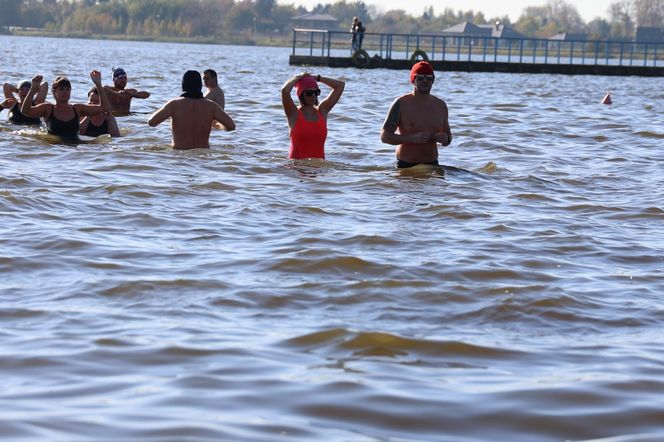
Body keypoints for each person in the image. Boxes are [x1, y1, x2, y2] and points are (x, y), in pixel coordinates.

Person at [380, 61, 452, 168]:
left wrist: (445, 139)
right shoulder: (401, 104)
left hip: (432, 165)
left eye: (429, 78)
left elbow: (448, 137)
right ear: (413, 80)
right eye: (420, 78)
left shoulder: (441, 106)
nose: (425, 81)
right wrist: (411, 138)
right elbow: (384, 136)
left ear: (433, 80)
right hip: (406, 166)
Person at [148, 70, 235, 150]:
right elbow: (231, 126)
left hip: (180, 153)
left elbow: (151, 122)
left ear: (183, 85)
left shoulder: (174, 104)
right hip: (204, 154)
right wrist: (219, 126)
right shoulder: (212, 106)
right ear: (200, 85)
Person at [20, 70, 112, 141]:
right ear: (54, 92)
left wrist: (98, 84)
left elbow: (105, 108)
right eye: (61, 89)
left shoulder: (77, 108)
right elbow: (25, 111)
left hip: (75, 146)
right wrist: (33, 88)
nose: (65, 92)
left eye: (68, 89)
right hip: (55, 147)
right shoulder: (48, 108)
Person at [281, 72, 345, 160]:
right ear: (301, 94)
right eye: (309, 93)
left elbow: (340, 85)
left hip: (318, 171)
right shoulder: (293, 113)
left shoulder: (322, 111)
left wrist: (317, 78)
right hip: (296, 169)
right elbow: (285, 90)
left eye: (316, 92)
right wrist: (299, 77)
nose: (313, 95)